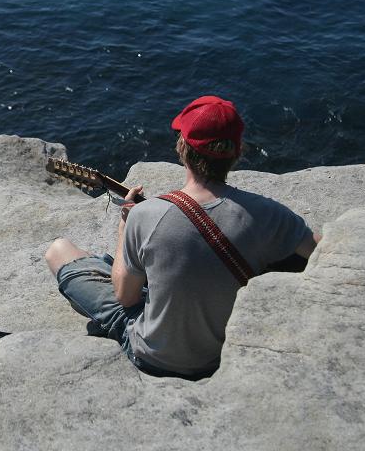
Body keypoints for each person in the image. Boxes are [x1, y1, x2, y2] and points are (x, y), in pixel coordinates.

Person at [44, 95, 319, 379]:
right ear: (236, 151)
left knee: (59, 250)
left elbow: (125, 298)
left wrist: (125, 228)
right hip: (222, 354)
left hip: (153, 356)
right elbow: (323, 252)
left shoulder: (145, 215)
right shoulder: (269, 214)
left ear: (182, 148)